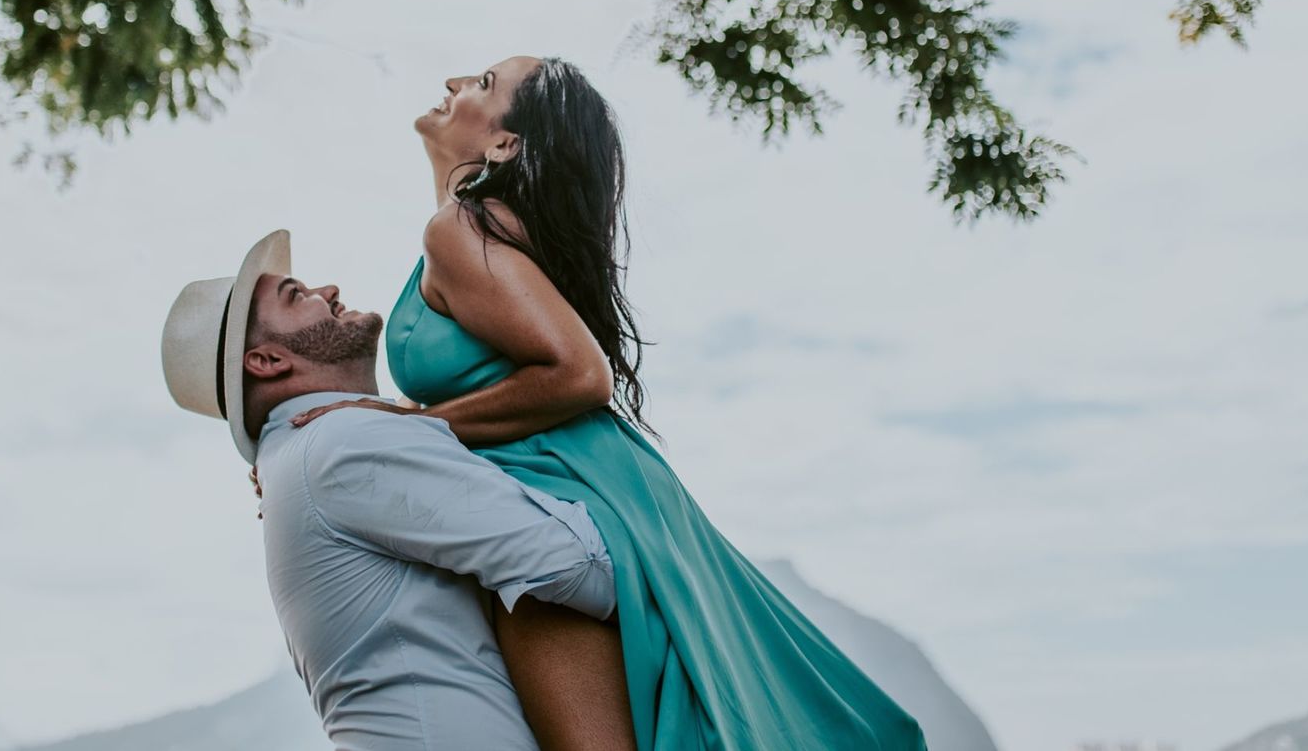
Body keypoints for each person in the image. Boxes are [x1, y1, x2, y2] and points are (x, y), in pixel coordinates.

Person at [287, 56, 929, 751]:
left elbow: (580, 374)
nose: (451, 82)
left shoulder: (460, 229)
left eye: (481, 82)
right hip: (579, 481)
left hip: (563, 495)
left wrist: (408, 428)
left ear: (505, 144)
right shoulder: (480, 231)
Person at [161, 228, 623, 751]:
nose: (328, 290)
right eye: (296, 296)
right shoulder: (340, 442)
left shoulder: (311, 452)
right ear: (268, 362)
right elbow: (581, 568)